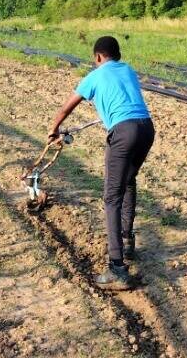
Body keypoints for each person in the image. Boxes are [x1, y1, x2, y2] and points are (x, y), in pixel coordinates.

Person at [47, 35, 155, 291]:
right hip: (146, 128)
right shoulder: (127, 70)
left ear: (98, 57)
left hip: (124, 132)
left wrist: (54, 128)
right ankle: (127, 240)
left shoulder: (94, 76)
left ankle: (117, 268)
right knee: (128, 181)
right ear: (118, 55)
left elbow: (67, 107)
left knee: (111, 198)